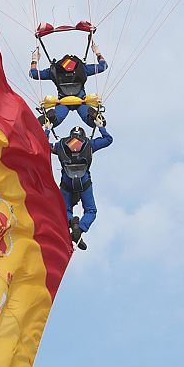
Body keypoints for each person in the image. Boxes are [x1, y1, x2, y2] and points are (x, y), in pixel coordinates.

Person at [53, 122, 112, 250]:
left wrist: (47, 130)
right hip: (83, 179)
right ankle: (79, 230)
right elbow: (108, 139)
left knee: (64, 210)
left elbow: (43, 145)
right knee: (91, 210)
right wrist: (100, 126)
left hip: (67, 181)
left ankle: (72, 224)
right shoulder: (90, 144)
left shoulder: (60, 145)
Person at [30, 40, 108, 128]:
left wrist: (34, 60)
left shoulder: (54, 70)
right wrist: (98, 53)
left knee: (53, 122)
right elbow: (103, 66)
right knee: (94, 124)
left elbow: (33, 74)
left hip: (63, 102)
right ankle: (94, 117)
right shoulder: (82, 68)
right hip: (81, 101)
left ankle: (50, 117)